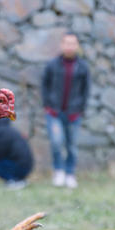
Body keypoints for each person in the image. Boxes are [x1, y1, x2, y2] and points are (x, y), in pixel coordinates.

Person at [41, 32, 91, 189]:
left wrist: (80, 108)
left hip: (73, 114)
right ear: (62, 45)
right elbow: (45, 85)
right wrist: (47, 105)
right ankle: (59, 171)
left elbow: (86, 90)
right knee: (56, 142)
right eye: (66, 43)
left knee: (72, 145)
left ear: (77, 46)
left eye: (73, 43)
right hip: (54, 112)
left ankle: (70, 174)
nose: (69, 46)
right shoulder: (52, 65)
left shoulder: (83, 67)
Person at [0, 118, 34, 189]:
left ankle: (13, 181)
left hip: (21, 166)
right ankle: (19, 180)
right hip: (26, 166)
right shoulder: (6, 128)